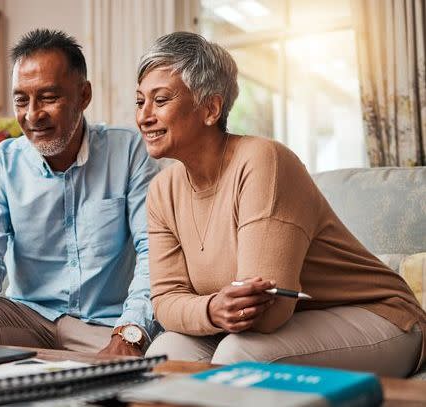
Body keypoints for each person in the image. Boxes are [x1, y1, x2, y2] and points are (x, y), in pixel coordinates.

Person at [136, 31, 425, 377]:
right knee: (165, 356)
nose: (144, 116)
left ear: (211, 108)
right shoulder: (162, 190)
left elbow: (268, 312)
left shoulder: (264, 161)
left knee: (239, 355)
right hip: (277, 327)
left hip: (379, 316)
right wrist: (213, 309)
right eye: (140, 102)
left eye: (161, 100)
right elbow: (166, 301)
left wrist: (208, 310)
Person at [0, 29, 160, 356]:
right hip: (27, 319)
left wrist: (131, 331)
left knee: (161, 356)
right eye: (21, 100)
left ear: (83, 96)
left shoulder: (128, 151)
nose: (32, 114)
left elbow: (154, 251)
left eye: (49, 97)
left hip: (106, 325)